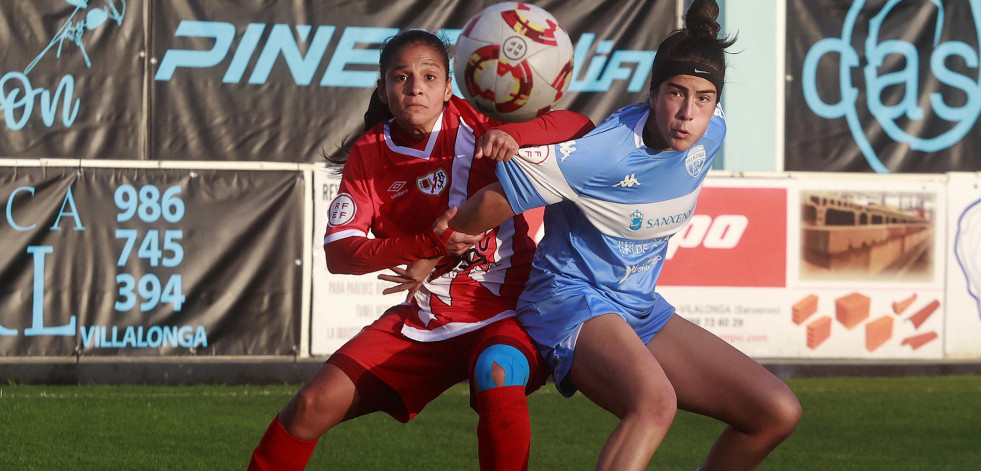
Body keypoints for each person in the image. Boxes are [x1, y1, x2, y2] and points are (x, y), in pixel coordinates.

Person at [432, 1, 802, 470]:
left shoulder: (711, 131)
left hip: (637, 308)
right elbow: (492, 200)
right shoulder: (603, 152)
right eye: (675, 93)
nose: (687, 112)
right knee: (654, 404)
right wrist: (442, 242)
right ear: (653, 94)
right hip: (567, 298)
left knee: (775, 411)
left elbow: (703, 77)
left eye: (703, 98)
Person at [248, 29, 594, 471]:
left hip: (508, 309)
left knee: (497, 374)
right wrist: (430, 244)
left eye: (429, 76)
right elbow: (340, 253)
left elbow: (583, 127)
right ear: (384, 88)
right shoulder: (369, 154)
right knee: (309, 407)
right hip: (426, 314)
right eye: (401, 77)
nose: (416, 87)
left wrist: (519, 135)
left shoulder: (480, 123)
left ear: (449, 87)